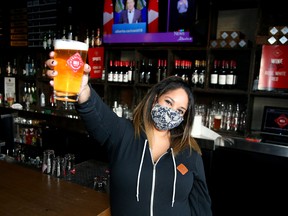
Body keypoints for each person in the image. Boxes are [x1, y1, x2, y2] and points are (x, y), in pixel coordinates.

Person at [45, 52, 212, 216]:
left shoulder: (190, 152)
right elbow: (96, 113)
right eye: (168, 102)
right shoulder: (123, 134)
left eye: (180, 110)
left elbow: (201, 206)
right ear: (155, 100)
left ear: (183, 118)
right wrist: (81, 88)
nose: (171, 112)